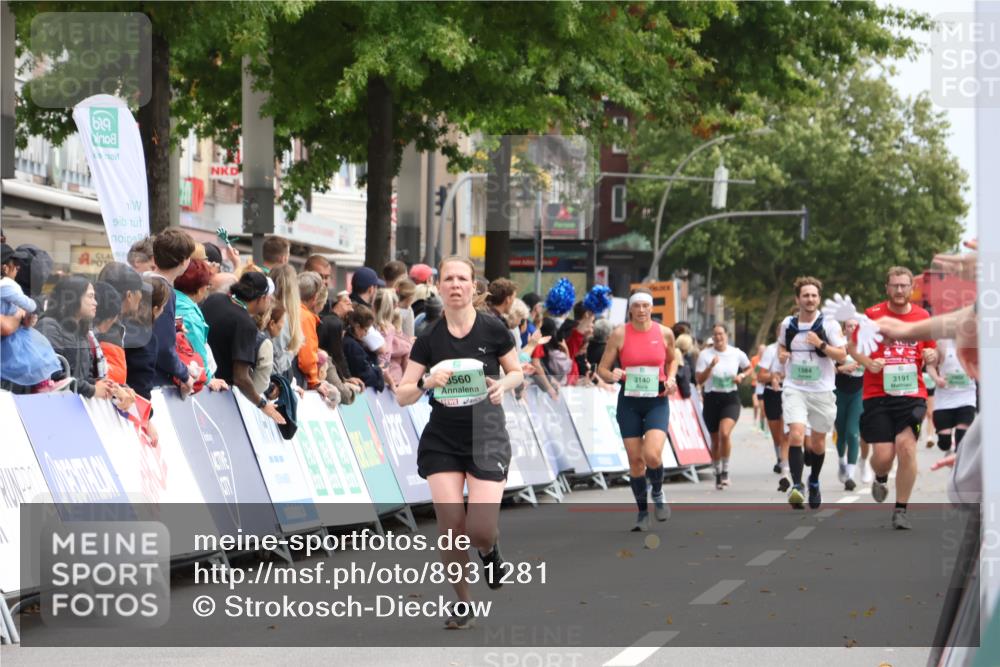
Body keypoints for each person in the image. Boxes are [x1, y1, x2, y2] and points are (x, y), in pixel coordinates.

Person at [395, 256, 523, 629]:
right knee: (451, 527)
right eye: (448, 278)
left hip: (486, 433)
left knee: (480, 530)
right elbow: (403, 393)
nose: (455, 284)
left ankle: (490, 550)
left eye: (462, 278)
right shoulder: (429, 336)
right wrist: (425, 384)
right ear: (439, 286)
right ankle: (463, 602)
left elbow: (516, 372)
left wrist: (502, 385)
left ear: (473, 287)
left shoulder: (494, 329)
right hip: (443, 439)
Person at [846, 266, 936, 529]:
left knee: (906, 447)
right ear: (887, 288)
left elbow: (931, 352)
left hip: (912, 393)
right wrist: (868, 362)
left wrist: (931, 356)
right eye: (894, 285)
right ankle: (881, 475)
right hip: (878, 395)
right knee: (884, 456)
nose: (899, 290)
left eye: (904, 285)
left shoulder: (922, 317)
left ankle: (901, 509)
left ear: (911, 288)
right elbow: (851, 346)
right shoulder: (873, 316)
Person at [597, 288, 678, 531]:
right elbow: (602, 368)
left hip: (657, 400)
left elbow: (673, 360)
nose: (641, 310)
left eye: (646, 306)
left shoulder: (664, 333)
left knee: (652, 455)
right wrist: (613, 374)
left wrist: (671, 378)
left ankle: (659, 493)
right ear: (630, 309)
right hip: (629, 403)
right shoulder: (620, 334)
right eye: (637, 306)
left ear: (651, 308)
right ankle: (642, 513)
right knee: (635, 462)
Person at [777, 276, 849, 509]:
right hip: (795, 387)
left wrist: (820, 344)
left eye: (814, 295)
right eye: (806, 295)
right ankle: (797, 486)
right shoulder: (787, 324)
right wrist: (781, 354)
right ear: (798, 299)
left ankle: (814, 481)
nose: (810, 299)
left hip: (822, 390)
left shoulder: (829, 325)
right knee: (796, 434)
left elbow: (842, 355)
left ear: (819, 299)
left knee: (817, 444)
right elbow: (781, 345)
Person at [201, 271, 285, 424]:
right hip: (219, 395)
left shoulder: (215, 299)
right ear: (261, 298)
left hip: (199, 383)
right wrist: (261, 403)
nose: (270, 301)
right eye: (269, 297)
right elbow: (241, 377)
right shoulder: (245, 323)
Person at [37, 275, 113, 400]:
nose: (96, 302)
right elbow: (54, 376)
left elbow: (86, 378)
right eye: (90, 296)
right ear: (72, 298)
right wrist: (92, 390)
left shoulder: (82, 333)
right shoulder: (49, 326)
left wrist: (112, 388)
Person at [0, 244, 64, 391]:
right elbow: (6, 326)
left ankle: (44, 382)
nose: (18, 268)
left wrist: (23, 319)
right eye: (15, 266)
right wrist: (22, 314)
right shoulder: (7, 287)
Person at [696, 323, 752, 490]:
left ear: (727, 335)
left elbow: (749, 368)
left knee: (724, 433)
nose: (718, 337)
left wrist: (741, 375)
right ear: (712, 338)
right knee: (715, 439)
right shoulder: (705, 355)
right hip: (712, 399)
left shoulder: (736, 353)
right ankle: (717, 471)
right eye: (715, 335)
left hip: (730, 398)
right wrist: (710, 366)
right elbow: (699, 380)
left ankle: (726, 471)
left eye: (721, 334)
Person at [147, 229, 196, 397]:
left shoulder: (140, 281)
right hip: (152, 382)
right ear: (183, 260)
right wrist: (184, 374)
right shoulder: (164, 291)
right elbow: (163, 348)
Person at [175, 259, 224, 386]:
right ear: (201, 288)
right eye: (207, 286)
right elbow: (196, 351)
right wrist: (208, 379)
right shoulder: (189, 315)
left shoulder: (170, 298)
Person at [926, 337, 977, 455]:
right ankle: (948, 448)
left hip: (966, 397)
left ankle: (957, 461)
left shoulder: (974, 342)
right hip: (945, 399)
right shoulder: (942, 344)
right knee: (944, 444)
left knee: (962, 441)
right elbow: (930, 366)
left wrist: (975, 372)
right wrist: (937, 379)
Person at [123, 278, 169, 400]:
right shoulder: (147, 338)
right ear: (155, 309)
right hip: (127, 402)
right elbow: (140, 383)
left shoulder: (116, 324)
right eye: (163, 306)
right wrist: (148, 414)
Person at [756, 325, 787, 481]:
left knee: (787, 431)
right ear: (776, 333)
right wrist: (773, 375)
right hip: (772, 393)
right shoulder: (770, 350)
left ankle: (784, 462)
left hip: (790, 392)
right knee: (777, 435)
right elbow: (760, 376)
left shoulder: (795, 349)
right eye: (780, 330)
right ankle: (780, 458)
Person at [834, 355, 865, 491]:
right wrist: (843, 368)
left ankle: (850, 476)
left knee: (852, 433)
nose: (852, 331)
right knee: (841, 434)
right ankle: (842, 462)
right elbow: (824, 368)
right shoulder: (835, 342)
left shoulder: (866, 343)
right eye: (848, 330)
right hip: (837, 392)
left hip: (858, 393)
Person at [270, 264, 304, 380]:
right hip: (273, 381)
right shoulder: (283, 317)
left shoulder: (264, 311)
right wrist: (291, 353)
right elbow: (276, 363)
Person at [343, 304, 386, 392]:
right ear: (358, 327)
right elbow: (365, 376)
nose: (366, 334)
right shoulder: (352, 346)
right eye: (365, 330)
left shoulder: (353, 342)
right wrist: (378, 370)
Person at [297, 271, 329, 389]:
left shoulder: (287, 309)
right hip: (298, 380)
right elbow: (306, 360)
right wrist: (315, 382)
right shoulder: (306, 317)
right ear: (315, 297)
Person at [374, 287, 412, 386]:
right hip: (388, 383)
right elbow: (384, 360)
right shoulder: (387, 330)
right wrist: (391, 383)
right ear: (393, 307)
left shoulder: (368, 325)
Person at [750, 344, 766, 432]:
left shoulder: (770, 360)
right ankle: (757, 423)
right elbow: (753, 374)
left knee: (764, 409)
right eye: (761, 350)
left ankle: (763, 426)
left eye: (764, 351)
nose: (762, 352)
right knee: (758, 406)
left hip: (768, 388)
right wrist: (759, 378)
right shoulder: (757, 362)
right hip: (757, 387)